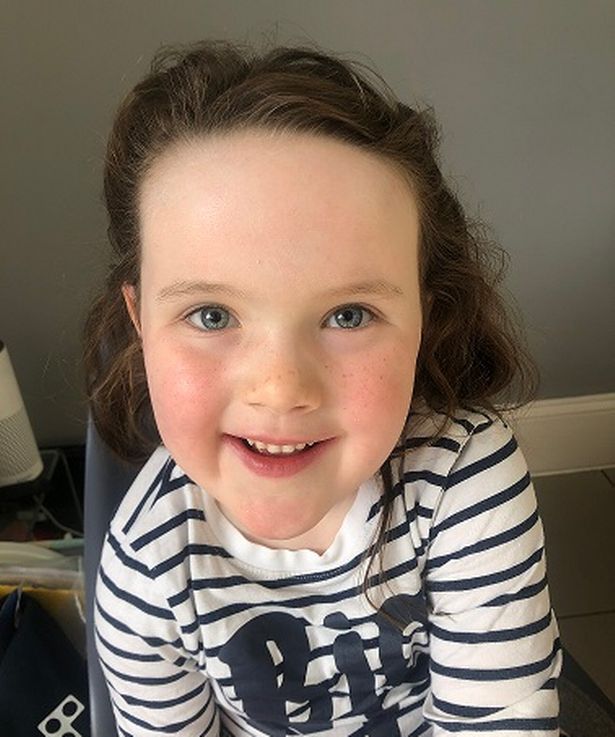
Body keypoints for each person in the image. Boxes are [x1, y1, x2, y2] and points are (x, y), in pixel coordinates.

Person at [84, 39, 562, 736]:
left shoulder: (464, 478)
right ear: (140, 323)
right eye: (211, 315)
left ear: (424, 318)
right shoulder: (146, 568)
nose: (280, 389)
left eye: (348, 315)